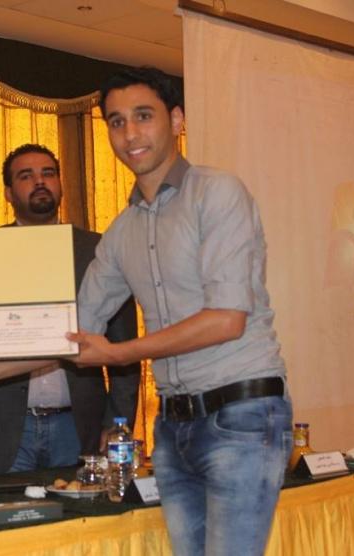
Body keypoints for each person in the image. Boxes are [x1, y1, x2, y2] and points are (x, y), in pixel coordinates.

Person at [66, 67, 292, 555]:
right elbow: (74, 327)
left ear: (176, 119)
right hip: (172, 426)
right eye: (117, 122)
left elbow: (226, 318)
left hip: (242, 414)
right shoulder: (122, 231)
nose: (130, 134)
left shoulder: (218, 192)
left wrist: (119, 352)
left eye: (143, 116)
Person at [0, 144, 140, 475]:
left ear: (60, 184)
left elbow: (124, 345)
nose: (40, 181)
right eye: (26, 176)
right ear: (8, 193)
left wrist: (118, 421)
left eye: (48, 173)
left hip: (77, 426)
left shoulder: (98, 252)